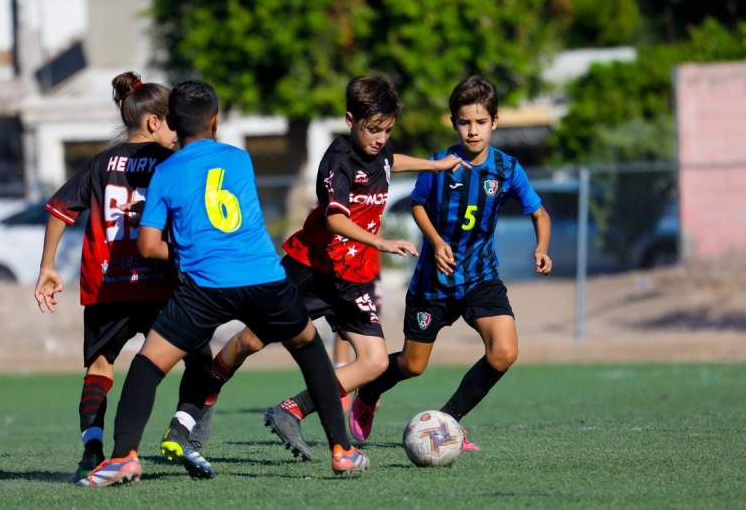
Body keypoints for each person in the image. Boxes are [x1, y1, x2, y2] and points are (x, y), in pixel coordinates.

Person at [78, 80, 368, 487]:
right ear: (215, 120)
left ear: (173, 125)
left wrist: (181, 253)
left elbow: (147, 245)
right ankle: (342, 450)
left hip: (205, 286)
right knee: (306, 344)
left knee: (146, 365)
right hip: (264, 277)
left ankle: (124, 456)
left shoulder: (166, 171)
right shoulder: (241, 159)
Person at [189, 75, 468, 461]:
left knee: (373, 362)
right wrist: (381, 242)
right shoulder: (336, 162)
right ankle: (205, 395)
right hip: (311, 271)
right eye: (373, 130)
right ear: (350, 118)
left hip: (353, 279)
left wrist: (437, 165)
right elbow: (336, 220)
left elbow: (391, 162)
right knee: (251, 341)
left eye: (387, 130)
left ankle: (292, 410)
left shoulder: (379, 151)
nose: (381, 138)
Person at [352, 75, 553, 449]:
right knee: (413, 365)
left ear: (494, 122)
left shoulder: (507, 169)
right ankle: (369, 393)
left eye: (480, 122)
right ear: (454, 123)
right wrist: (436, 240)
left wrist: (542, 247)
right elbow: (416, 204)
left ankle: (448, 422)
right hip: (434, 282)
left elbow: (540, 214)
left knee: (505, 352)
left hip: (480, 277)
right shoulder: (440, 164)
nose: (472, 131)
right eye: (464, 122)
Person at [35, 72, 215, 482]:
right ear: (154, 122)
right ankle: (180, 432)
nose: (178, 128)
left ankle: (93, 448)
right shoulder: (174, 161)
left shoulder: (100, 163)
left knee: (100, 365)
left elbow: (60, 210)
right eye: (173, 120)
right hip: (160, 284)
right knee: (202, 361)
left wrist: (47, 267)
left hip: (107, 284)